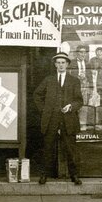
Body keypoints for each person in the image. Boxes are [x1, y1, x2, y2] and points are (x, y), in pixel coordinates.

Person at [33, 52, 83, 186]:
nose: (61, 65)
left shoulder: (74, 81)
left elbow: (79, 101)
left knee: (71, 149)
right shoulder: (48, 80)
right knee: (48, 148)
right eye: (58, 62)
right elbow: (37, 95)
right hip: (51, 119)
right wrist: (45, 110)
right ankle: (44, 175)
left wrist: (71, 106)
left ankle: (75, 175)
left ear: (67, 64)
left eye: (63, 62)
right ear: (55, 64)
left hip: (68, 119)